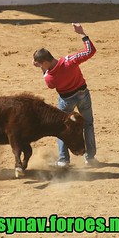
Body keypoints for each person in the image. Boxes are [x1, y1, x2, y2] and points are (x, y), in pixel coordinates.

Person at [32, 23, 97, 168]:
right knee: (88, 124)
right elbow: (90, 50)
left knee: (61, 128)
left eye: (41, 64)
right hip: (83, 94)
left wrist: (43, 70)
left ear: (46, 62)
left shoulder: (49, 77)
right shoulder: (70, 60)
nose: (41, 66)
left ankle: (63, 160)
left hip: (66, 100)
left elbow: (49, 84)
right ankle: (90, 158)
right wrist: (81, 33)